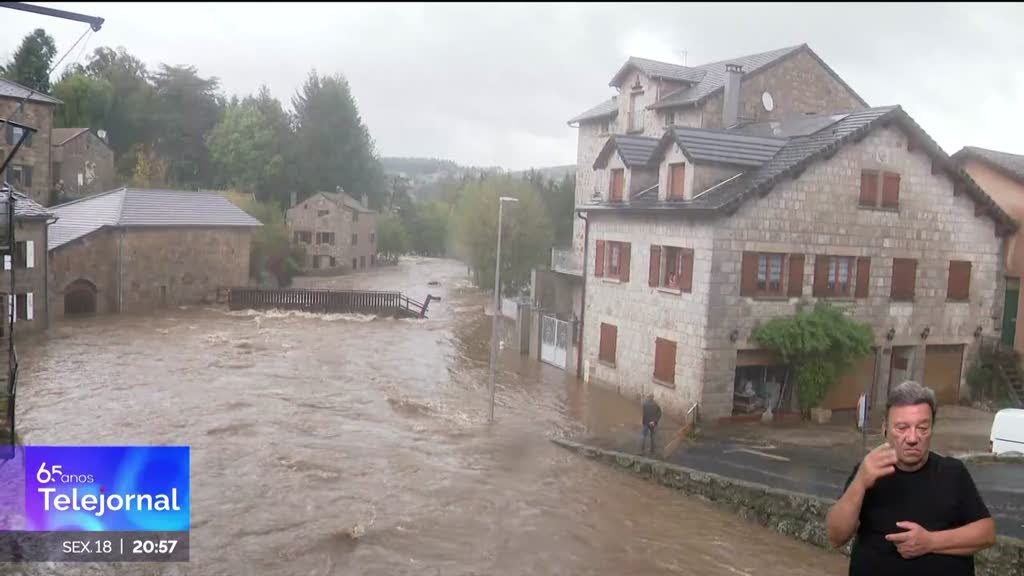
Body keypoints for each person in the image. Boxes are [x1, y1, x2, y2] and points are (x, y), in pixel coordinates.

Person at [825, 380, 996, 576]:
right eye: (902, 428)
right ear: (885, 429)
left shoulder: (952, 473)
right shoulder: (867, 471)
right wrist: (860, 482)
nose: (913, 438)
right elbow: (836, 537)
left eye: (922, 428)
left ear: (932, 428)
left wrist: (930, 542)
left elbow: (986, 533)